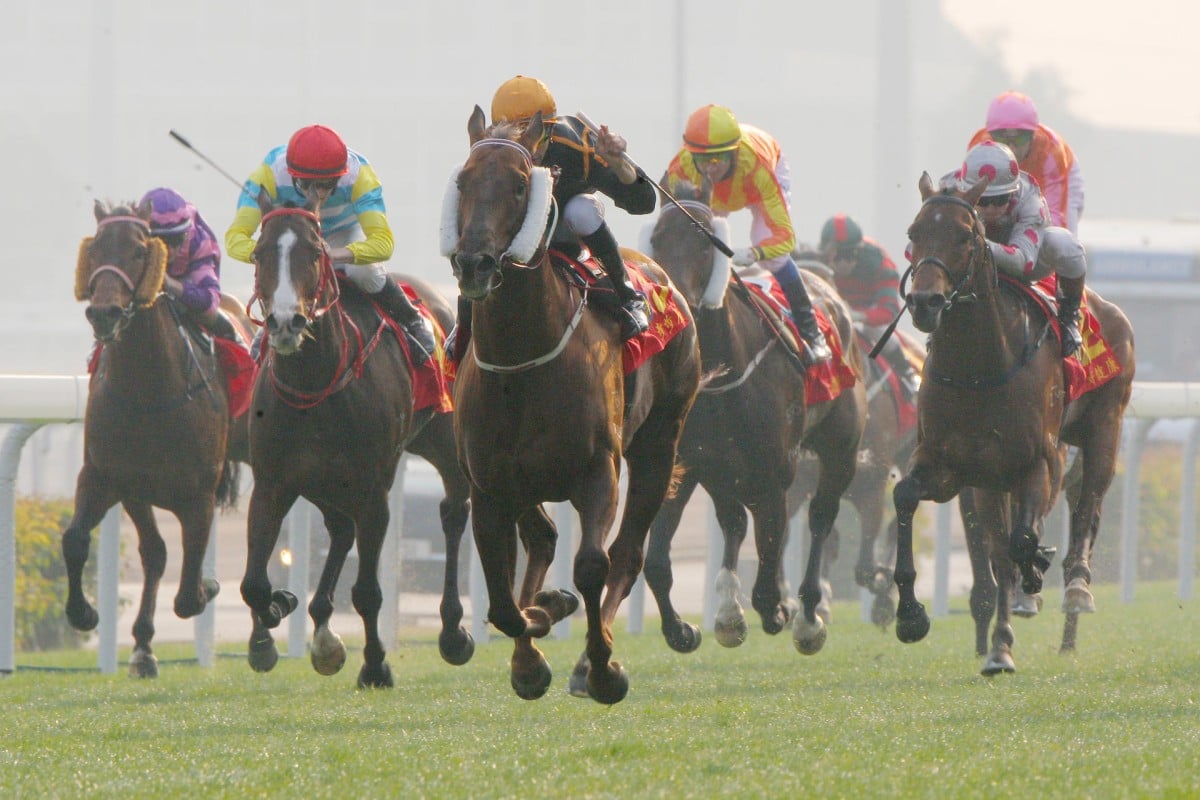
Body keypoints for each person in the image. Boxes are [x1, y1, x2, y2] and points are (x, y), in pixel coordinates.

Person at [225, 124, 435, 363]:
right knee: (283, 267)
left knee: (363, 270)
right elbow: (235, 239)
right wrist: (270, 253)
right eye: (307, 184)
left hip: (345, 233)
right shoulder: (269, 173)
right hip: (296, 238)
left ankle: (411, 319)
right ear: (292, 174)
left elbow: (383, 243)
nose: (320, 194)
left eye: (328, 184)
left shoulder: (360, 176)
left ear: (341, 176)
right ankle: (271, 322)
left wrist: (333, 254)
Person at [665, 104, 830, 365]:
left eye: (717, 160)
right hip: (721, 194)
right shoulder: (681, 168)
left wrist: (754, 253)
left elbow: (785, 238)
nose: (709, 169)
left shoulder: (758, 168)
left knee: (772, 256)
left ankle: (811, 330)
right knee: (695, 239)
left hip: (761, 176)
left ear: (733, 152)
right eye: (701, 160)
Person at [944, 140, 1086, 357]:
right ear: (968, 193)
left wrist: (977, 245)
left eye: (1000, 199)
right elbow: (913, 248)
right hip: (968, 262)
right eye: (983, 200)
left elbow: (1023, 262)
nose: (991, 208)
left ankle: (1069, 315)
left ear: (1013, 192)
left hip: (1021, 259)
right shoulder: (948, 192)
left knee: (1064, 243)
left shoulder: (1030, 201)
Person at [817, 213, 918, 392]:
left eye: (847, 254)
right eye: (835, 256)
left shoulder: (880, 263)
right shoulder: (818, 265)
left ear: (859, 251)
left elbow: (889, 311)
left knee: (878, 332)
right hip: (835, 314)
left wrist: (857, 315)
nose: (841, 263)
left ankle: (908, 376)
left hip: (869, 316)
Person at [968, 90, 1084, 234]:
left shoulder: (1051, 153)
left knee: (1060, 237)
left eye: (1020, 138)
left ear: (1033, 135)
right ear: (990, 135)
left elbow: (1055, 217)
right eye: (1002, 138)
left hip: (1063, 176)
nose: (1011, 147)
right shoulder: (978, 149)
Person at [141, 187, 238, 342]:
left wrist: (170, 284)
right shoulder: (134, 244)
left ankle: (241, 357)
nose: (171, 250)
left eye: (177, 239)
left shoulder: (199, 242)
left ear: (186, 233)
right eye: (163, 242)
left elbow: (210, 302)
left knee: (223, 326)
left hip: (187, 281)